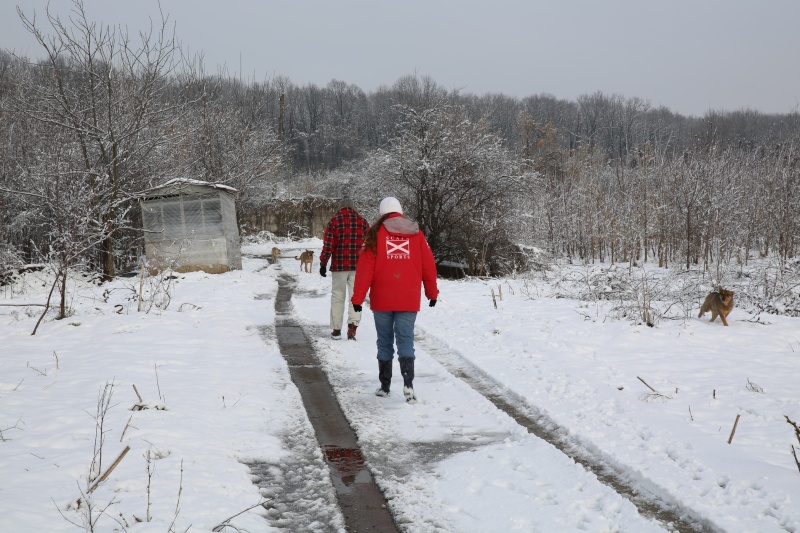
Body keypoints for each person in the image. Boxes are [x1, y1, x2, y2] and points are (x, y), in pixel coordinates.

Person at [351, 197, 438, 403]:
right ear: (399, 211)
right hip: (408, 298)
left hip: (382, 298)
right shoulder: (417, 234)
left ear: (382, 212)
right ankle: (408, 384)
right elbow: (429, 266)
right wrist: (432, 293)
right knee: (406, 340)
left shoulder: (374, 234)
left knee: (385, 341)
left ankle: (385, 386)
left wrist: (357, 298)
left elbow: (365, 271)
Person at [319, 197, 370, 340]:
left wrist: (323, 263)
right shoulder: (363, 222)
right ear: (353, 207)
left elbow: (328, 245)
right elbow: (371, 244)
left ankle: (336, 329)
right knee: (356, 297)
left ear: (340, 207)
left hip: (339, 266)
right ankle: (352, 327)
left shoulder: (334, 221)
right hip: (358, 267)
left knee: (337, 296)